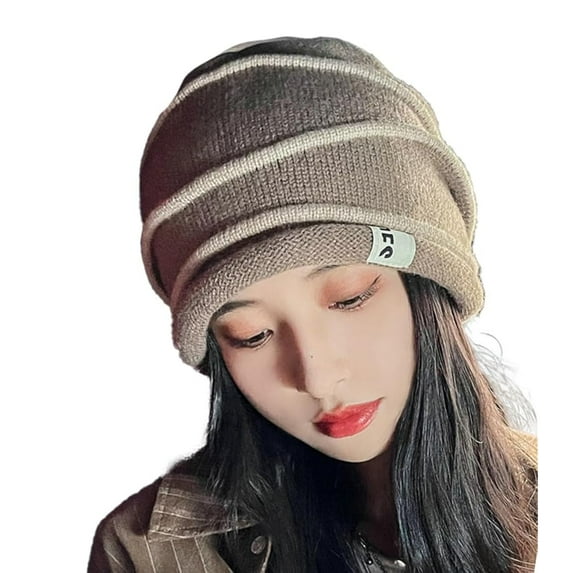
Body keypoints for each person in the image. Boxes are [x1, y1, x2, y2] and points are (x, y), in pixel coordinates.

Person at [87, 36, 538, 572]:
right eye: (251, 334)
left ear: (425, 284)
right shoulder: (145, 551)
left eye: (349, 298)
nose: (318, 378)